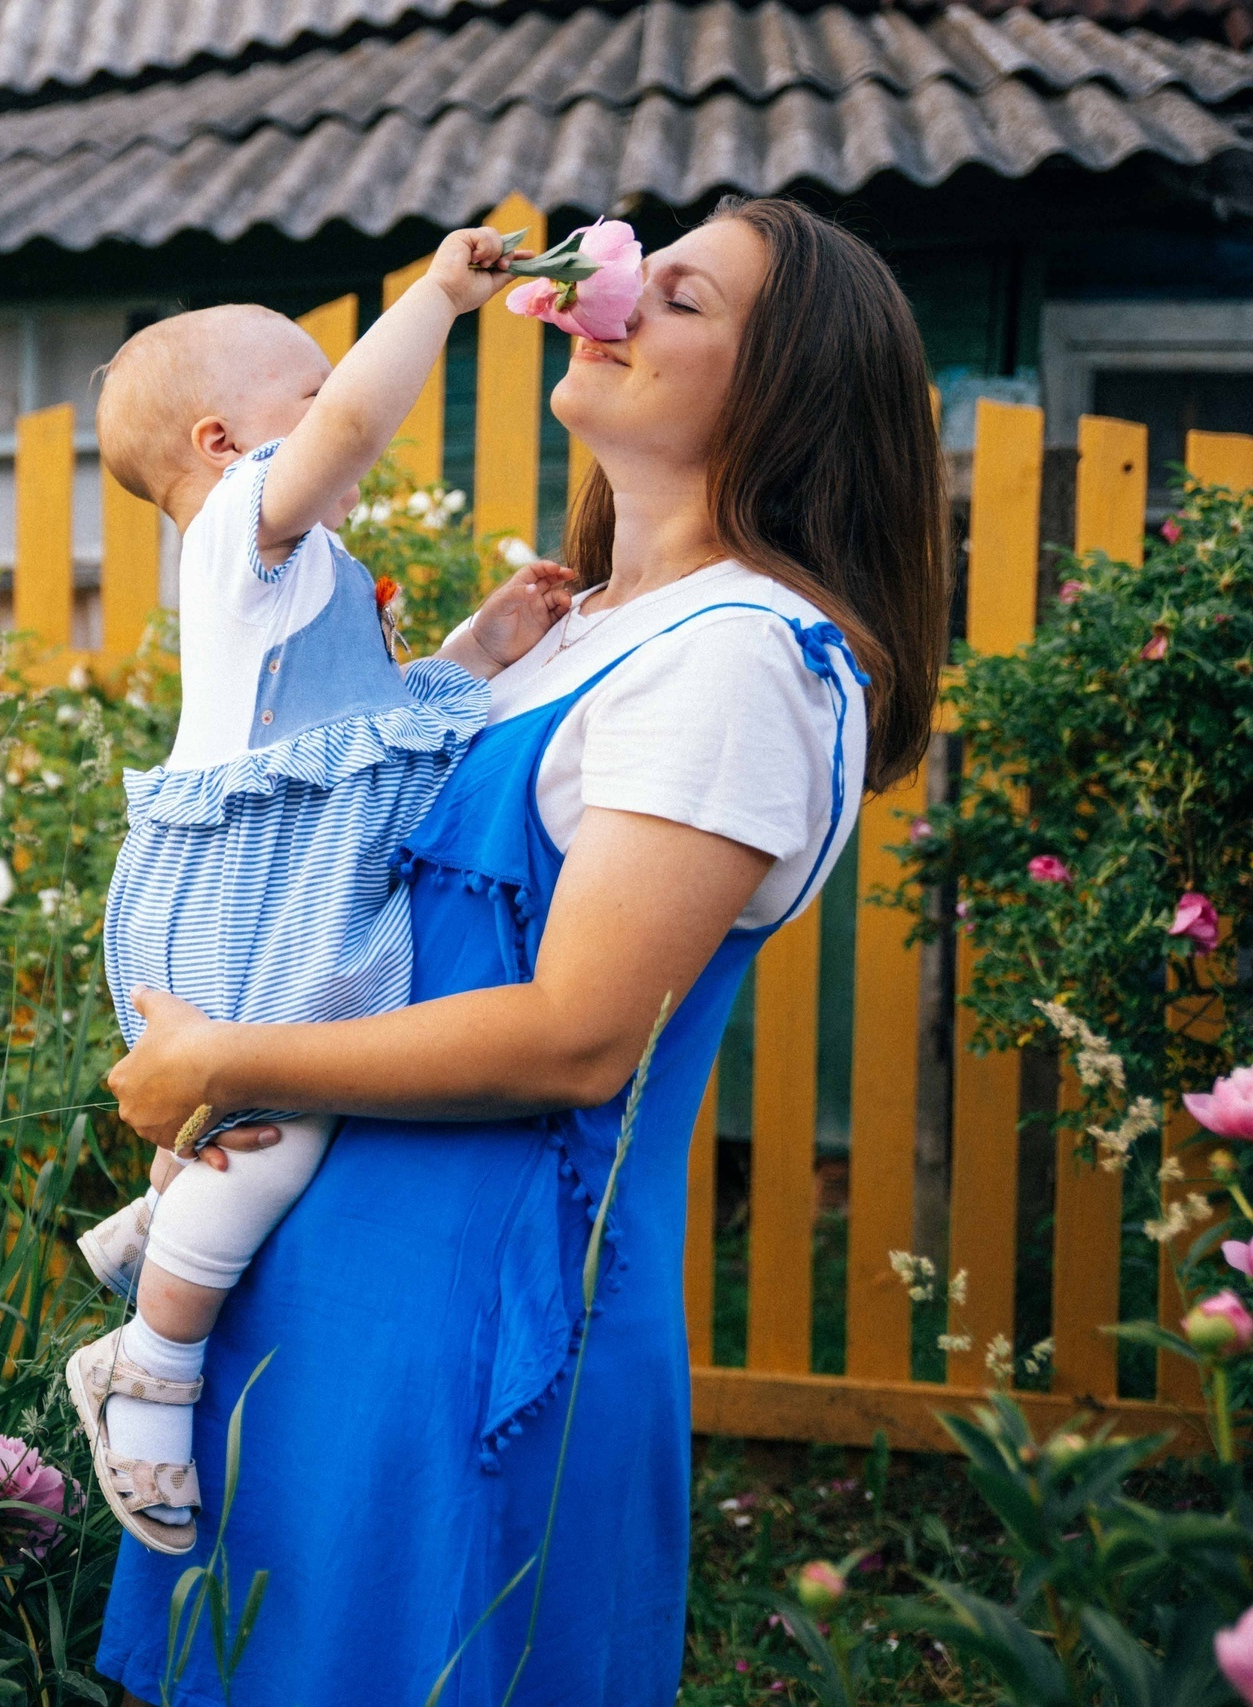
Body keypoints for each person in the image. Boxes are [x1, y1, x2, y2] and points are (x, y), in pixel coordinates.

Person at [91, 196, 948, 1707]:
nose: (614, 299)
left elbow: (577, 1035)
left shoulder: (742, 657)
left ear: (786, 389)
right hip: (318, 1309)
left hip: (475, 1339)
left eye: (682, 298)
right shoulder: (571, 633)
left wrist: (222, 1056)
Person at [67, 240, 576, 1557]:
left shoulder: (301, 573)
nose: (336, 401)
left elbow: (383, 718)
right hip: (253, 882)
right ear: (222, 438)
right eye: (309, 389)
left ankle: (166, 1222)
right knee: (287, 1123)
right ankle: (148, 1368)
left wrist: (478, 647)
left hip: (292, 869)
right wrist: (439, 301)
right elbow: (353, 425)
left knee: (280, 1111)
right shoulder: (241, 526)